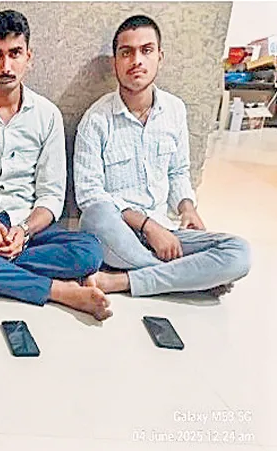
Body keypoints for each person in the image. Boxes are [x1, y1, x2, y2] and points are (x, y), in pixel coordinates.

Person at [0, 10, 111, 320]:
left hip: (30, 230)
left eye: (14, 54)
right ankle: (57, 290)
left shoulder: (47, 115)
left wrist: (22, 231)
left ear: (29, 57)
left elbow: (51, 195)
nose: (6, 66)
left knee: (90, 251)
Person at [74, 15, 250, 297]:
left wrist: (187, 208)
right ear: (115, 62)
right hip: (119, 232)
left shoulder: (174, 110)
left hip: (169, 230)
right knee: (94, 216)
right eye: (126, 53)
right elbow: (89, 194)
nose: (136, 61)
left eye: (146, 50)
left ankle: (123, 281)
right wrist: (147, 226)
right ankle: (189, 278)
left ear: (160, 57)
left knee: (239, 252)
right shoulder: (96, 119)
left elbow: (178, 171)